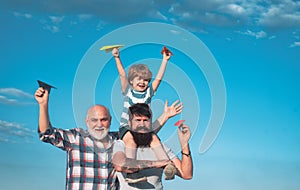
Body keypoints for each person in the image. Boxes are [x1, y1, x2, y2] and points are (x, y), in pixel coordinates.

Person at [35, 85, 182, 190]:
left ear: (110, 120)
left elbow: (142, 131)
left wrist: (165, 117)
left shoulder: (118, 140)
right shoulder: (76, 138)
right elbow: (47, 134)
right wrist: (43, 105)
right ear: (87, 121)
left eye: (103, 119)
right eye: (94, 120)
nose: (99, 124)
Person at [112, 46, 175, 163]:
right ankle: (131, 165)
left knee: (155, 140)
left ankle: (167, 165)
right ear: (131, 81)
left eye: (146, 80)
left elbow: (159, 79)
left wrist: (165, 60)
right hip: (127, 127)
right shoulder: (128, 92)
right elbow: (122, 75)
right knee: (131, 141)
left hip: (143, 129)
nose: (142, 82)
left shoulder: (148, 93)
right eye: (139, 79)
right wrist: (117, 57)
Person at [112, 103, 193, 190]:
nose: (142, 124)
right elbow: (120, 165)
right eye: (138, 120)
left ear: (151, 123)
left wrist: (184, 144)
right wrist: (156, 163)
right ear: (129, 123)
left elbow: (186, 174)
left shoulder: (160, 147)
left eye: (145, 120)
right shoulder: (120, 145)